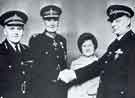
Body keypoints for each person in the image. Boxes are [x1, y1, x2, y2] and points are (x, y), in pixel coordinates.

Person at [58, 1, 135, 98]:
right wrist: (73, 74)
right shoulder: (114, 45)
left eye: (118, 21)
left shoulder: (132, 43)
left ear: (128, 21)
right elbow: (99, 65)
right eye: (112, 21)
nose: (113, 25)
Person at [29, 4, 67, 98]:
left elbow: (63, 64)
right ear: (44, 21)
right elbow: (34, 68)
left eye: (55, 19)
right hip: (43, 89)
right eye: (48, 20)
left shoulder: (62, 40)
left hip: (60, 89)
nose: (52, 23)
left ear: (58, 21)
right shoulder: (36, 40)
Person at [0, 10, 32, 98]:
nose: (16, 32)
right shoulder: (1, 51)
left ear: (23, 31)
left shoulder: (28, 50)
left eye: (19, 29)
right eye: (12, 29)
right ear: (5, 31)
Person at [68, 32, 100, 98]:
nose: (87, 48)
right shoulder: (75, 64)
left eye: (90, 45)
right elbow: (73, 88)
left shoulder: (100, 62)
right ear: (81, 48)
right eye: (84, 46)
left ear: (94, 46)